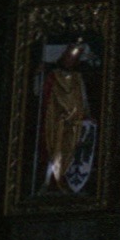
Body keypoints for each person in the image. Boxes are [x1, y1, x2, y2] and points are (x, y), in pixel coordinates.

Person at [40, 39, 93, 193]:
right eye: (69, 57)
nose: (70, 61)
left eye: (73, 59)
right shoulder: (54, 75)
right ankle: (52, 180)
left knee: (71, 150)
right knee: (54, 148)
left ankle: (63, 179)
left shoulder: (77, 78)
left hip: (75, 121)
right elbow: (44, 95)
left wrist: (87, 115)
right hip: (56, 120)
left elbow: (83, 99)